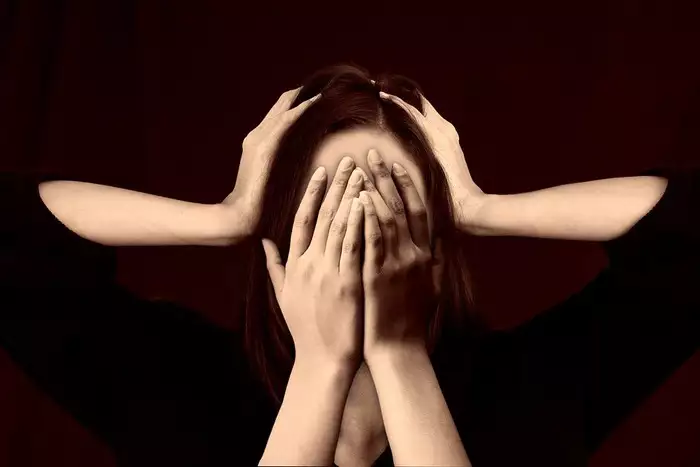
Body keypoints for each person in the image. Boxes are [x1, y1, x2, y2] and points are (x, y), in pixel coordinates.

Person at [0, 63, 697, 467]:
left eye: (394, 202)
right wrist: (224, 219)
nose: (359, 233)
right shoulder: (180, 384)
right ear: (279, 234)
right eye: (326, 202)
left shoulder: (532, 386)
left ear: (439, 239)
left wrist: (483, 209)